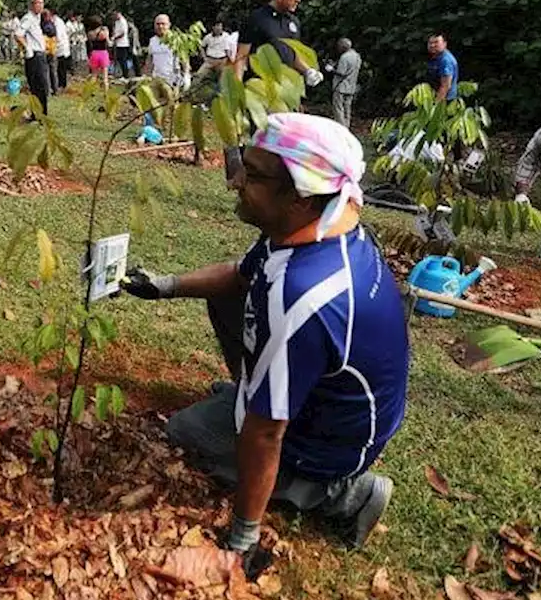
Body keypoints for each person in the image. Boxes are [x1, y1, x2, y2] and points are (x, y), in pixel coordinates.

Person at [122, 113, 406, 552]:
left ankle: (343, 493)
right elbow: (240, 275)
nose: (234, 181)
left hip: (331, 442)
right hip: (333, 401)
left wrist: (243, 538)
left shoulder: (304, 295)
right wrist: (166, 286)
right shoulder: (319, 227)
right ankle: (255, 395)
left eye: (251, 174)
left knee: (188, 432)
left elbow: (266, 433)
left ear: (299, 196)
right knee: (228, 296)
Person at [236, 0, 322, 90]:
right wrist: (236, 92)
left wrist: (308, 71)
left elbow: (291, 55)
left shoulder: (293, 22)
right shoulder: (257, 18)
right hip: (262, 89)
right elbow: (241, 58)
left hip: (287, 88)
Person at [15, 0, 50, 115]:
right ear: (32, 5)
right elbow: (18, 34)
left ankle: (40, 114)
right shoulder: (28, 18)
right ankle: (38, 115)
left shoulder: (37, 18)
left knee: (42, 88)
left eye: (42, 3)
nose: (40, 6)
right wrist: (27, 48)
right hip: (34, 56)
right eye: (38, 3)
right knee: (38, 87)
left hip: (40, 55)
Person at [145, 14, 188, 88]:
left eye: (163, 24)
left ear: (169, 25)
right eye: (158, 24)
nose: (160, 26)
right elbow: (149, 60)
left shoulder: (176, 40)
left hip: (173, 81)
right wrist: (147, 76)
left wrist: (186, 76)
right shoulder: (152, 41)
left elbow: (184, 60)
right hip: (157, 79)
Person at [330, 38, 362, 129]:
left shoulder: (344, 57)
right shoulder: (357, 56)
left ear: (343, 47)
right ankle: (347, 126)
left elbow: (341, 73)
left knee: (338, 108)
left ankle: (341, 128)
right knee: (347, 108)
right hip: (351, 86)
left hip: (341, 86)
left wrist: (331, 69)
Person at [425, 34, 458, 101]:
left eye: (436, 42)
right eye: (430, 43)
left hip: (445, 101)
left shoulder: (446, 60)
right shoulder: (436, 57)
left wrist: (436, 106)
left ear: (444, 44)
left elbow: (446, 86)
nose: (432, 45)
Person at [87, 16, 112, 91]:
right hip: (103, 53)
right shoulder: (104, 31)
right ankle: (106, 93)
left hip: (94, 53)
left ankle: (90, 91)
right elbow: (109, 42)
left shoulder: (90, 33)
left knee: (94, 75)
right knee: (105, 76)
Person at [52, 10, 73, 92]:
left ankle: (62, 85)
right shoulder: (57, 21)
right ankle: (60, 84)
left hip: (61, 47)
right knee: (60, 67)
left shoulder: (58, 22)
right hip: (59, 47)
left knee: (61, 68)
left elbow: (58, 37)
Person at [41, 9, 60, 95]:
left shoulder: (45, 25)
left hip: (47, 49)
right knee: (53, 71)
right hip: (53, 50)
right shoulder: (52, 24)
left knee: (46, 71)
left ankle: (48, 90)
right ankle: (55, 89)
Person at [111, 10, 133, 79]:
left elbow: (123, 33)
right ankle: (122, 73)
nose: (114, 16)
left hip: (123, 44)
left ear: (119, 14)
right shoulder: (117, 22)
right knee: (119, 59)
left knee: (123, 60)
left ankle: (126, 75)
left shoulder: (123, 21)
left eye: (115, 15)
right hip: (118, 44)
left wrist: (114, 37)